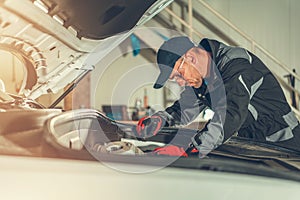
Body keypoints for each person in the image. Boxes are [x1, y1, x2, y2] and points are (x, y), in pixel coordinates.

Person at [135, 36, 300, 158]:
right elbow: (186, 107)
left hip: (284, 141)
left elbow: (229, 114)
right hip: (252, 144)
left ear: (190, 58)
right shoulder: (203, 78)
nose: (180, 83)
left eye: (178, 75)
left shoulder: (235, 64)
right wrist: (160, 119)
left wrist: (186, 149)